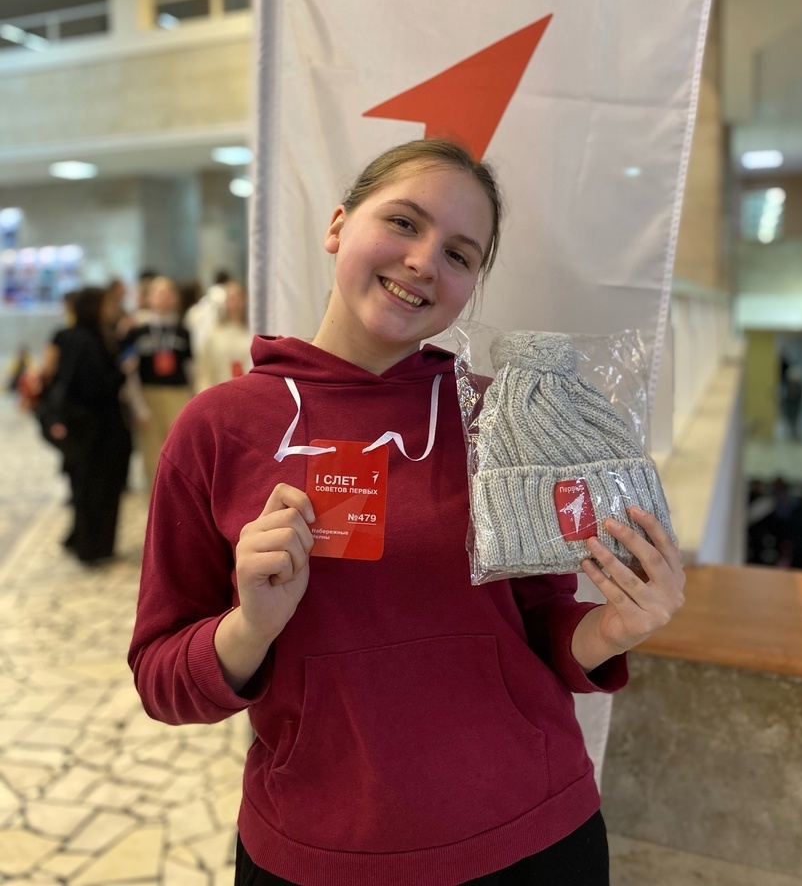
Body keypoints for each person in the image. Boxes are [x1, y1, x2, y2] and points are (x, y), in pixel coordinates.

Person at [129, 139, 684, 886]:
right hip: (318, 851)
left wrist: (613, 630)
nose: (425, 261)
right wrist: (249, 627)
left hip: (535, 833)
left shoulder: (504, 417)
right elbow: (161, 679)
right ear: (337, 225)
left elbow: (540, 621)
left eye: (460, 254)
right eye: (403, 222)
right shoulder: (220, 428)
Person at [51, 286, 132, 565]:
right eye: (106, 305)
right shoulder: (85, 340)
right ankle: (92, 547)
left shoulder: (91, 336)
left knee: (95, 489)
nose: (111, 310)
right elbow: (94, 385)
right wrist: (122, 372)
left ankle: (93, 544)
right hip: (96, 431)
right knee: (95, 489)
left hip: (96, 429)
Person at [122, 275, 193, 492]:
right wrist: (139, 407)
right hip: (149, 394)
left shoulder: (183, 331)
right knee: (151, 454)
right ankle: (154, 502)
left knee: (180, 450)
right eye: (158, 292)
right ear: (149, 298)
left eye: (168, 292)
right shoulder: (137, 331)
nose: (163, 297)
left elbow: (192, 368)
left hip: (178, 394)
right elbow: (130, 373)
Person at [194, 281, 253, 392]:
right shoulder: (213, 335)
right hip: (220, 392)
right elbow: (205, 371)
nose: (234, 304)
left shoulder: (252, 333)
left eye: (238, 298)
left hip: (248, 391)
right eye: (230, 299)